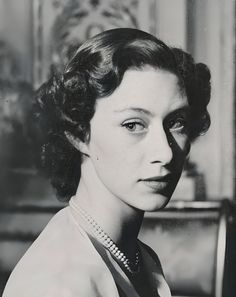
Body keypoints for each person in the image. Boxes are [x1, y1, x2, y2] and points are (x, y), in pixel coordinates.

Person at [3, 28, 211, 297]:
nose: (166, 153)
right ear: (79, 134)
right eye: (133, 124)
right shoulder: (58, 285)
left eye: (176, 123)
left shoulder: (137, 258)